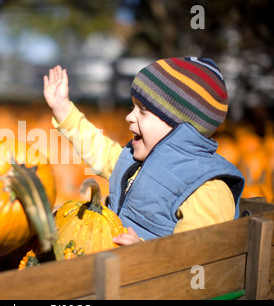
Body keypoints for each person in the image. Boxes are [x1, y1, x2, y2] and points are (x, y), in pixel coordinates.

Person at [43, 58, 245, 246]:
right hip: (112, 266)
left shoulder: (207, 189)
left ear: (181, 127)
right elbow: (99, 150)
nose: (129, 117)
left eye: (143, 110)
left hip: (150, 279)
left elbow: (196, 257)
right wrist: (63, 109)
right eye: (133, 107)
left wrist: (143, 252)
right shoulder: (135, 162)